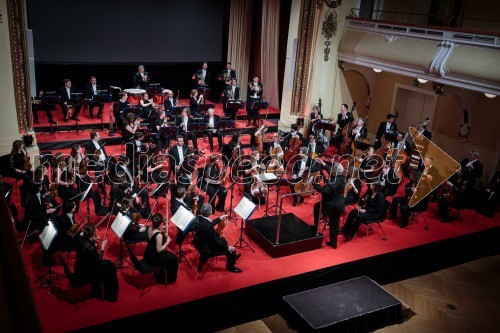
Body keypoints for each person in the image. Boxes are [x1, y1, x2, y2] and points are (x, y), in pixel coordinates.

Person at [73, 223, 119, 302]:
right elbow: (98, 262)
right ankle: (110, 294)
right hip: (86, 273)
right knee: (110, 267)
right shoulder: (90, 248)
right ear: (94, 233)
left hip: (79, 267)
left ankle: (99, 288)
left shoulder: (82, 240)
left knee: (108, 264)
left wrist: (93, 241)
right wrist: (102, 248)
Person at [194, 204, 242, 273]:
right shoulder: (208, 227)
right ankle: (230, 266)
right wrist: (227, 247)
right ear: (210, 213)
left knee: (222, 239)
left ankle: (232, 257)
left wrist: (220, 218)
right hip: (207, 248)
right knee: (232, 250)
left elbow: (209, 224)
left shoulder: (198, 218)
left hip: (199, 242)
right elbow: (215, 242)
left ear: (201, 211)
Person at [313, 163, 346, 249]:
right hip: (339, 205)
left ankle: (316, 228)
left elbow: (324, 191)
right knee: (335, 224)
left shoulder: (332, 183)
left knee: (318, 208)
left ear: (334, 172)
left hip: (332, 206)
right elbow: (331, 170)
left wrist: (315, 184)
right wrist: (323, 163)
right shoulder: (342, 178)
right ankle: (333, 243)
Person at [143, 213, 178, 284]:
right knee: (174, 258)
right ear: (161, 223)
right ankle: (168, 279)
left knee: (169, 254)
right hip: (153, 258)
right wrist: (167, 242)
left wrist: (160, 229)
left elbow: (154, 235)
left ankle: (163, 273)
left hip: (147, 253)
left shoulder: (150, 227)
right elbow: (159, 250)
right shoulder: (159, 236)